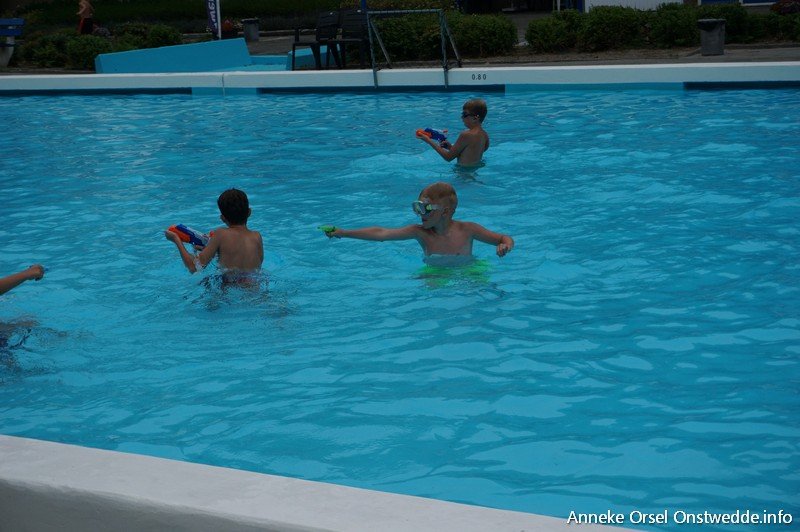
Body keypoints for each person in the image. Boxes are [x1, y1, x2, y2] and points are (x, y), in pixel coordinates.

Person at [323, 182, 513, 258]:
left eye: (426, 208)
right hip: (435, 274)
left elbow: (504, 238)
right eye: (418, 207)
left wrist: (505, 246)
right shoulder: (420, 233)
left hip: (469, 271)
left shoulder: (468, 230)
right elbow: (381, 233)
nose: (420, 213)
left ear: (445, 211)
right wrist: (344, 232)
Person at [165, 188, 263, 278]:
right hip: (256, 286)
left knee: (206, 281)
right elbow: (243, 264)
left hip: (229, 287)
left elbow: (194, 268)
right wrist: (214, 252)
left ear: (222, 218)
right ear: (249, 212)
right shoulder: (257, 236)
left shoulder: (220, 234)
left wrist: (176, 239)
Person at [417, 98, 490, 167]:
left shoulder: (466, 134)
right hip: (473, 172)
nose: (462, 117)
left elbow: (448, 158)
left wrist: (428, 140)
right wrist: (450, 148)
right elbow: (471, 154)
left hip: (462, 172)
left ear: (475, 118)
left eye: (464, 114)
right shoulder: (485, 135)